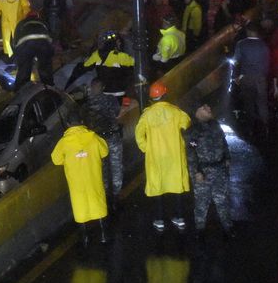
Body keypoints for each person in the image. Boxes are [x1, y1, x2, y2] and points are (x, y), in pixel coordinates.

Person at [135, 81, 191, 232]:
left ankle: (159, 220)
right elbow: (186, 123)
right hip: (174, 156)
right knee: (176, 185)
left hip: (155, 157)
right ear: (165, 95)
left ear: (152, 98)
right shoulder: (175, 111)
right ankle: (179, 218)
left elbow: (139, 134)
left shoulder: (147, 115)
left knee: (157, 186)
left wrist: (146, 148)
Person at [51, 111, 110, 246]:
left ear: (67, 124)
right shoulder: (93, 137)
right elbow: (105, 151)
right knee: (98, 204)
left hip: (76, 182)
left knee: (80, 206)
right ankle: (103, 235)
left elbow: (56, 160)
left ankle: (85, 238)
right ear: (82, 122)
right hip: (93, 178)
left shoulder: (64, 143)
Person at [184, 103, 234, 240]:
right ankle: (200, 230)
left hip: (219, 169)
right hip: (203, 172)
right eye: (204, 108)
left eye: (208, 106)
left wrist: (227, 158)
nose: (209, 108)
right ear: (197, 112)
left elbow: (224, 143)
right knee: (201, 202)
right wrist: (195, 172)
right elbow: (190, 153)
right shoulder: (193, 132)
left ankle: (227, 228)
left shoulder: (215, 126)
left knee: (222, 200)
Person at [83, 78, 124, 206]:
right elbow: (117, 113)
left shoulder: (86, 105)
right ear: (103, 87)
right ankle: (116, 196)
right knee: (116, 166)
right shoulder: (110, 100)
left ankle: (105, 196)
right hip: (112, 138)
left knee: (101, 168)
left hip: (97, 141)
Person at [67, 31, 134, 102]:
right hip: (120, 95)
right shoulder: (121, 56)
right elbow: (136, 66)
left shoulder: (96, 55)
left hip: (103, 94)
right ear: (114, 43)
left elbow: (83, 67)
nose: (120, 44)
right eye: (118, 42)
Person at [231, 22, 271, 140]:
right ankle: (266, 128)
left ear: (248, 31)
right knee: (262, 104)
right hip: (260, 78)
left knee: (249, 104)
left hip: (246, 78)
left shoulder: (241, 44)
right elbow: (267, 64)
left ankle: (250, 129)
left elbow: (235, 61)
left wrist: (237, 76)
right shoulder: (264, 45)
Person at [11, 11, 55, 91]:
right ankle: (49, 88)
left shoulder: (22, 22)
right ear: (37, 17)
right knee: (45, 67)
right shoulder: (43, 22)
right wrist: (50, 53)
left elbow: (15, 40)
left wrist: (16, 54)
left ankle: (20, 90)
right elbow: (51, 37)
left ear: (27, 17)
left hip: (26, 44)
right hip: (43, 43)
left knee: (24, 68)